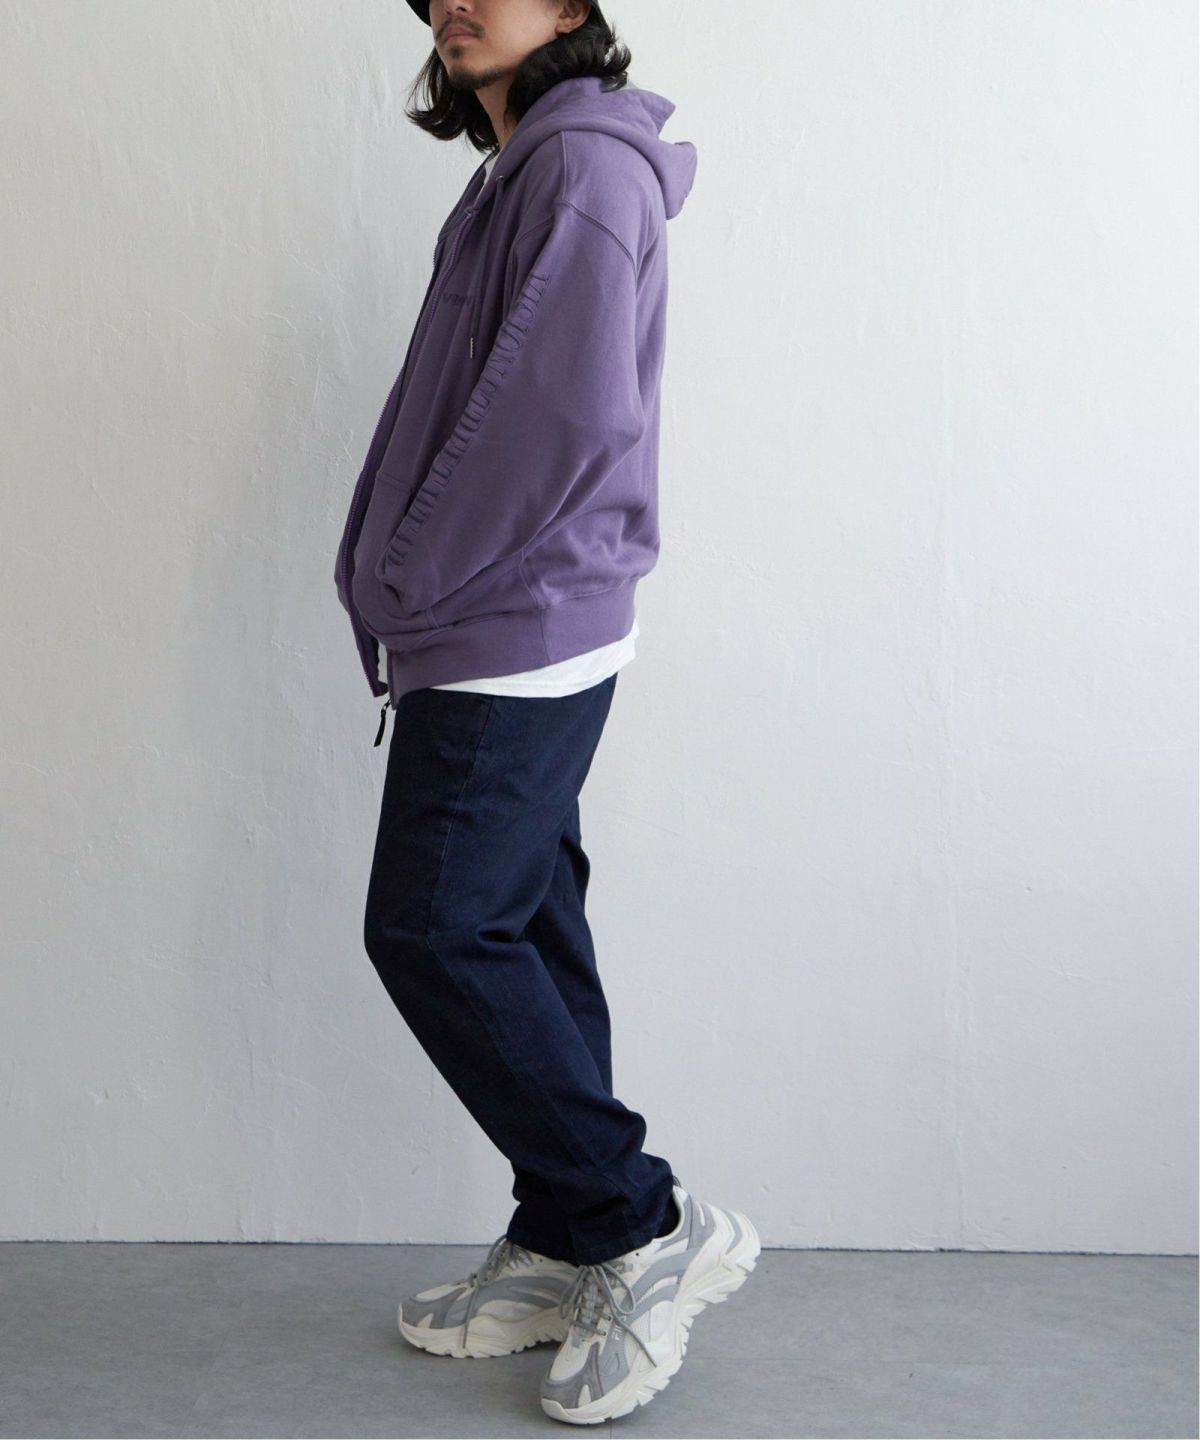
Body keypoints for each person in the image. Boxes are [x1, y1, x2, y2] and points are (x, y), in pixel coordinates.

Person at [332, 0, 759, 1423]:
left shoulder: (577, 166)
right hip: (518, 607)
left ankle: (637, 1219)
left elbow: (553, 422)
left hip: (506, 616)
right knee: (519, 916)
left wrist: (409, 575)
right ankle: (567, 1232)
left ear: (575, 7)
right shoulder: (529, 162)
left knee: (436, 927)